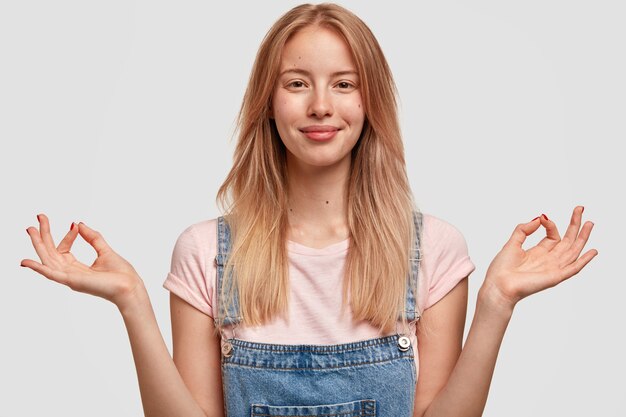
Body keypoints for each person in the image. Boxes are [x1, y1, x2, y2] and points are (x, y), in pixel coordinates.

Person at [20, 3, 597, 417]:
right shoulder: (205, 253)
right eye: (297, 83)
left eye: (344, 84)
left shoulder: (435, 249)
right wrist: (132, 303)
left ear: (370, 102)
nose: (321, 106)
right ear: (268, 104)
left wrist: (497, 303)